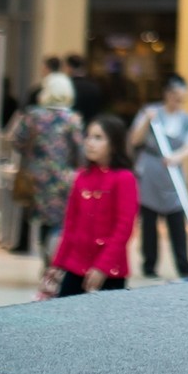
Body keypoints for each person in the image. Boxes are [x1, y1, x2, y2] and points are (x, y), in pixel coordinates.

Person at [51, 116, 137, 297]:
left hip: (110, 272)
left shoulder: (124, 178)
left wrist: (102, 267)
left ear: (114, 144)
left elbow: (124, 228)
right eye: (88, 137)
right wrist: (57, 263)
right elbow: (70, 226)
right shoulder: (82, 176)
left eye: (98, 138)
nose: (90, 143)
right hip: (75, 267)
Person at [7, 72, 85, 265]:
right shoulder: (72, 119)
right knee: (61, 220)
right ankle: (56, 259)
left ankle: (48, 259)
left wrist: (32, 155)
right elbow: (80, 151)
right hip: (63, 178)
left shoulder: (33, 116)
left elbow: (16, 140)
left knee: (43, 221)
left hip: (36, 177)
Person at [129, 75, 188, 280]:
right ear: (167, 94)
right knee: (149, 221)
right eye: (175, 96)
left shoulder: (187, 120)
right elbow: (135, 139)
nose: (178, 101)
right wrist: (146, 121)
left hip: (173, 173)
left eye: (182, 97)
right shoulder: (151, 112)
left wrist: (176, 157)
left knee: (177, 219)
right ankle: (149, 264)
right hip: (151, 171)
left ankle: (184, 265)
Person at [65, 53, 104, 125]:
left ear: (69, 68)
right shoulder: (94, 86)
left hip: (73, 125)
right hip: (91, 124)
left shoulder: (68, 86)